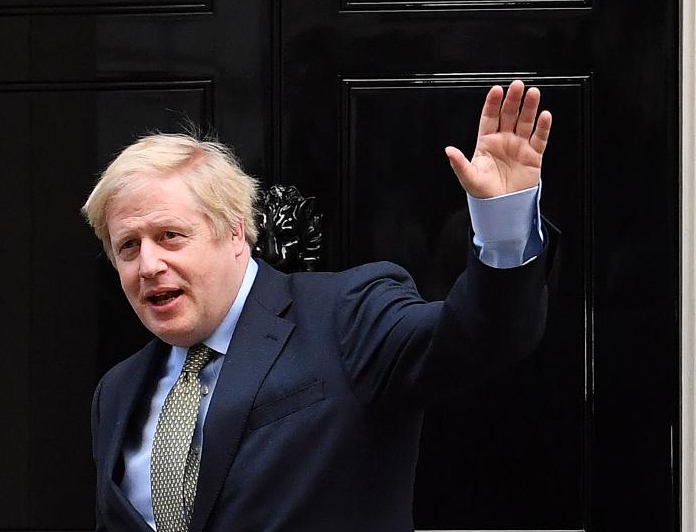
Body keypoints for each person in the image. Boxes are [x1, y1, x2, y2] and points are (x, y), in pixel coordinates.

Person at [82, 80, 554, 531]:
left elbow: (481, 337)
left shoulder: (345, 317)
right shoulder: (117, 391)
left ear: (233, 233)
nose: (148, 264)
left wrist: (504, 224)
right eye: (128, 247)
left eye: (170, 236)